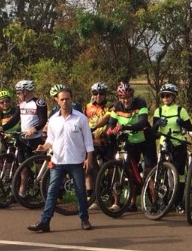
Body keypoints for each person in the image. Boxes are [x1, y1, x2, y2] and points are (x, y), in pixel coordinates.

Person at [27, 87, 94, 232]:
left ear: (72, 99)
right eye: (62, 99)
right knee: (52, 192)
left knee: (80, 192)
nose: (65, 102)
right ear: (57, 100)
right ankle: (45, 222)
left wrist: (88, 159)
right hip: (58, 161)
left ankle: (84, 219)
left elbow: (88, 141)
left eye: (67, 99)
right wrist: (43, 147)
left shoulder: (81, 118)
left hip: (76, 161)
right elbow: (51, 139)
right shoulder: (53, 119)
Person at [102, 81, 154, 211]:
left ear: (133, 96)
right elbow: (111, 124)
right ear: (119, 98)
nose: (126, 101)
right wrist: (110, 130)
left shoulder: (140, 103)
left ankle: (154, 203)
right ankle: (132, 203)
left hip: (145, 140)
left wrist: (125, 127)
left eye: (128, 98)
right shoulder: (116, 107)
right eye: (123, 98)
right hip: (131, 142)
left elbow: (143, 122)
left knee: (149, 172)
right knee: (130, 172)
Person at [151, 83, 192, 208]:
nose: (165, 98)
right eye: (163, 96)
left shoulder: (180, 110)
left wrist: (182, 123)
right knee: (163, 172)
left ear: (173, 96)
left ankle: (178, 201)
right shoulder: (159, 111)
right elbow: (153, 130)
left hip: (178, 142)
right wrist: (158, 123)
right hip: (164, 143)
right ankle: (164, 201)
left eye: (168, 95)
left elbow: (189, 127)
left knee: (179, 173)